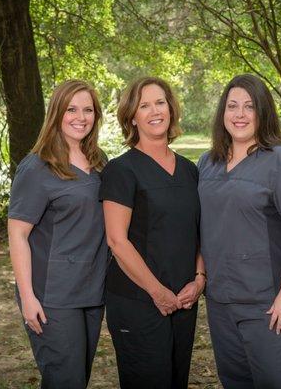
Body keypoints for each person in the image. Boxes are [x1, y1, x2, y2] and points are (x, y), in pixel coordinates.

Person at [197, 74, 281, 388]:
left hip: (270, 301)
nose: (239, 114)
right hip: (222, 301)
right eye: (232, 106)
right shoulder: (206, 164)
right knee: (235, 382)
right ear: (222, 113)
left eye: (249, 106)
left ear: (263, 113)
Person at [99, 76, 205, 389]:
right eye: (144, 105)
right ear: (132, 116)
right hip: (139, 302)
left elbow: (200, 232)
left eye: (160, 102)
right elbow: (117, 241)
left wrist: (199, 280)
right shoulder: (121, 170)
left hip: (184, 301)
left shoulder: (190, 170)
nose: (154, 110)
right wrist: (157, 292)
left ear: (171, 110)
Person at [7, 79, 108, 389]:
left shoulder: (99, 163)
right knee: (66, 380)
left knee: (78, 379)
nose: (81, 117)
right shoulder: (38, 167)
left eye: (88, 110)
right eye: (71, 109)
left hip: (93, 290)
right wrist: (27, 297)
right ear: (56, 113)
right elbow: (18, 235)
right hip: (52, 296)